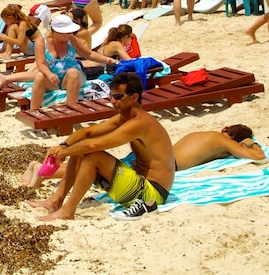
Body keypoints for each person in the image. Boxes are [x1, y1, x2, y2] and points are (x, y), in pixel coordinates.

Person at [28, 72, 175, 221]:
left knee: (92, 155)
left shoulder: (140, 123)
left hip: (151, 194)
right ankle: (55, 201)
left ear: (134, 97)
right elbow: (88, 132)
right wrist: (63, 145)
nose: (112, 101)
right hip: (138, 185)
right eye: (111, 96)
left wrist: (63, 153)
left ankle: (67, 211)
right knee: (79, 151)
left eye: (118, 97)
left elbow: (93, 144)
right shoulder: (124, 117)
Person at [23, 124, 264, 188]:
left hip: (155, 154)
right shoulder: (225, 142)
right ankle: (44, 175)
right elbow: (258, 157)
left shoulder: (205, 133)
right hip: (165, 164)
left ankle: (42, 172)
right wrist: (250, 143)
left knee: (103, 169)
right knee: (104, 172)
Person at [25, 14, 117, 110]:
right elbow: (40, 64)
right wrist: (49, 74)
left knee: (72, 72)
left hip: (73, 77)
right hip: (53, 79)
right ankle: (33, 111)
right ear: (58, 32)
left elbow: (88, 54)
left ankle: (71, 109)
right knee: (40, 76)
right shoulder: (42, 41)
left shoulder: (71, 40)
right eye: (68, 32)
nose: (71, 34)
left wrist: (108, 60)